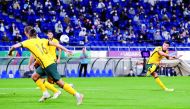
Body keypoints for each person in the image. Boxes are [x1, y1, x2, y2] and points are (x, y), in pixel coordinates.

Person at [8, 26, 83, 105]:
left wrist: (10, 53)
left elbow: (14, 46)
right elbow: (56, 44)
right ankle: (45, 93)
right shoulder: (43, 40)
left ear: (26, 33)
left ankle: (78, 95)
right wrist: (66, 50)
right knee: (34, 76)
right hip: (46, 64)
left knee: (60, 83)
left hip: (48, 65)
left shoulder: (27, 42)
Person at [27, 28, 61, 100]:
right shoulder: (43, 40)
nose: (50, 35)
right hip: (42, 60)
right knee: (38, 77)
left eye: (51, 34)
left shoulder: (53, 41)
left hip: (48, 60)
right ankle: (50, 91)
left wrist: (59, 58)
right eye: (49, 34)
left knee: (50, 78)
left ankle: (57, 90)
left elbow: (59, 48)